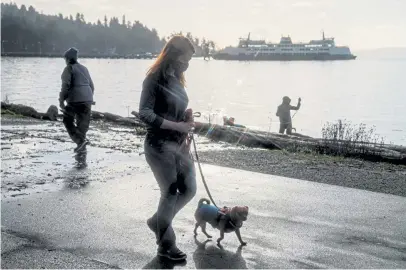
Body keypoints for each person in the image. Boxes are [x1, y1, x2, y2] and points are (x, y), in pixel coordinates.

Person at [139, 35, 196, 261]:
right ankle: (166, 243)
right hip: (159, 145)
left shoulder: (177, 77)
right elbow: (145, 113)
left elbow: (174, 107)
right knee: (171, 192)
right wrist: (178, 125)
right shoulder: (153, 79)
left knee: (189, 189)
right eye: (186, 58)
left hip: (179, 144)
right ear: (174, 55)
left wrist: (186, 115)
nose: (188, 64)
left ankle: (158, 222)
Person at [59, 47, 95, 153]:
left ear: (67, 59)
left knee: (67, 120)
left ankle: (80, 141)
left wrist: (61, 100)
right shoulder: (84, 68)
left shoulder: (68, 68)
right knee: (83, 123)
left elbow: (65, 86)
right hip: (87, 98)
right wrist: (88, 98)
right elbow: (92, 86)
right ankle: (82, 145)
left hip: (75, 99)